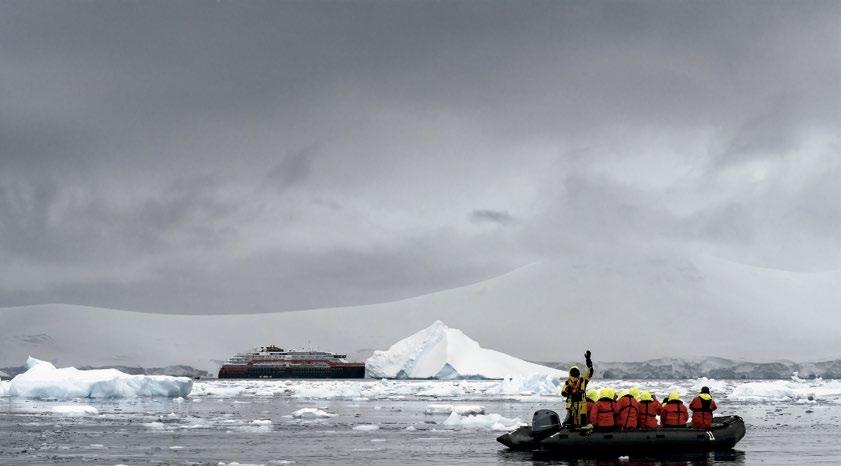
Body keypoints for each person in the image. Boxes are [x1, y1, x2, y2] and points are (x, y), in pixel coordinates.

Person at [560, 350, 594, 427]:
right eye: (573, 372)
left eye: (576, 372)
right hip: (571, 407)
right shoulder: (567, 383)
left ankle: (582, 431)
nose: (575, 373)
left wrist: (588, 360)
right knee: (571, 423)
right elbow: (563, 393)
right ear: (570, 373)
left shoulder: (582, 380)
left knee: (582, 422)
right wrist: (569, 389)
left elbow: (590, 372)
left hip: (582, 406)